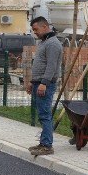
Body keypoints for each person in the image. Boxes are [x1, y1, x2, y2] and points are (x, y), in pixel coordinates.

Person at [27, 16, 62, 156]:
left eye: (36, 29)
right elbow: (39, 64)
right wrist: (32, 81)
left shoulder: (53, 44)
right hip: (38, 82)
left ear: (45, 27)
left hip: (45, 84)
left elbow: (51, 66)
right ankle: (43, 143)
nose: (34, 32)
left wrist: (44, 83)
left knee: (45, 114)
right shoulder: (44, 42)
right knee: (42, 114)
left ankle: (47, 145)